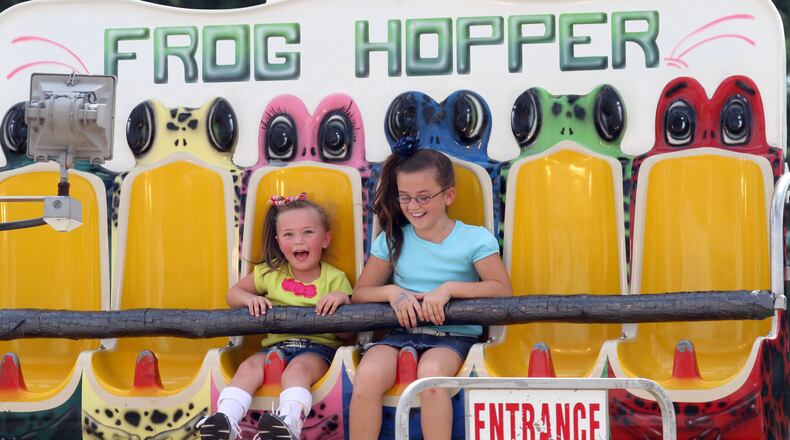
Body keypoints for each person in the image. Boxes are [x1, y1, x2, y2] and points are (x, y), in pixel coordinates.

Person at [349, 144, 512, 440]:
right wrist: (392, 293)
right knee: (368, 374)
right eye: (405, 198)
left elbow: (502, 291)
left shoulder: (473, 239)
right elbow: (361, 292)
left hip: (453, 336)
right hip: (401, 335)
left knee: (432, 376)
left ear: (448, 196)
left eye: (423, 197)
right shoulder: (392, 240)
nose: (413, 206)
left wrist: (448, 289)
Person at [197, 193, 352, 440]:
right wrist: (250, 299)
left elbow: (347, 333)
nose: (298, 241)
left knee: (297, 370)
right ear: (279, 242)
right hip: (274, 348)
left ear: (326, 239)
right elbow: (232, 293)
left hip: (317, 351)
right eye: (289, 235)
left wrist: (341, 301)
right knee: (248, 367)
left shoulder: (336, 279)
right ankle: (224, 420)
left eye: (308, 233)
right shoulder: (271, 273)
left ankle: (289, 423)